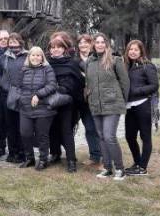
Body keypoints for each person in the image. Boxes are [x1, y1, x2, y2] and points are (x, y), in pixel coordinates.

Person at [85, 33, 130, 181]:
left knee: (109, 136)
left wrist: (122, 101)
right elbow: (88, 83)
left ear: (106, 44)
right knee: (101, 137)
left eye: (102, 42)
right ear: (93, 45)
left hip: (112, 103)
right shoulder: (89, 62)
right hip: (95, 104)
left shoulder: (115, 60)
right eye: (97, 42)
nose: (99, 44)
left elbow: (125, 83)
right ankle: (107, 168)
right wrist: (88, 95)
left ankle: (120, 169)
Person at [47, 34, 85, 173]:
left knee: (66, 130)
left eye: (59, 47)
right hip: (50, 101)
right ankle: (55, 153)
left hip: (67, 103)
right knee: (52, 128)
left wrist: (64, 88)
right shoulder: (46, 63)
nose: (55, 50)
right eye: (53, 47)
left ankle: (71, 160)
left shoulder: (72, 63)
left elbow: (78, 82)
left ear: (64, 49)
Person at [17, 46, 57, 170]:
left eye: (38, 55)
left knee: (42, 135)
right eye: (33, 55)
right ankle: (30, 158)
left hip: (43, 108)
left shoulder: (47, 69)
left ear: (42, 57)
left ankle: (43, 159)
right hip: (25, 108)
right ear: (29, 57)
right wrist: (20, 98)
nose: (35, 57)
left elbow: (52, 85)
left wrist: (38, 95)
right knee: (25, 133)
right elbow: (18, 86)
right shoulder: (24, 69)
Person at [124, 39, 159, 176]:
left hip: (143, 105)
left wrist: (135, 91)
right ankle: (137, 162)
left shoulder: (148, 66)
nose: (132, 52)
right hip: (130, 107)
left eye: (135, 50)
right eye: (130, 49)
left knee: (145, 137)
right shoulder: (127, 66)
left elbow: (154, 86)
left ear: (141, 51)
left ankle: (143, 168)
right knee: (129, 136)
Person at [0, 33, 27, 163]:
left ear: (20, 41)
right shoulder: (4, 57)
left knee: (21, 125)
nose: (13, 44)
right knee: (10, 125)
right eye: (10, 41)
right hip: (7, 95)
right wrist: (0, 83)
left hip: (22, 94)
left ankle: (22, 152)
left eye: (15, 41)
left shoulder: (27, 56)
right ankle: (12, 152)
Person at [76, 34, 102, 166]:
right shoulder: (75, 60)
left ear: (91, 44)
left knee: (97, 128)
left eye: (85, 42)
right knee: (89, 127)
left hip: (97, 98)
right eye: (80, 43)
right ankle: (95, 155)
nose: (83, 45)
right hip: (81, 100)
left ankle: (99, 155)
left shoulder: (97, 58)